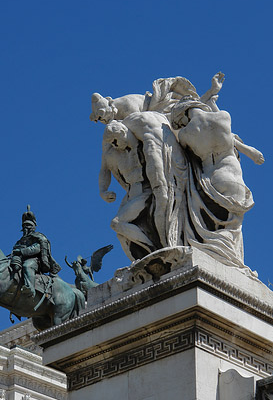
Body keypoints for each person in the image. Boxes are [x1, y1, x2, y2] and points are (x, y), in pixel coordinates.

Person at [170, 95, 264, 271]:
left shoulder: (184, 135)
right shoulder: (223, 116)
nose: (181, 124)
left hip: (209, 181)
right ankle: (230, 261)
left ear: (183, 115)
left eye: (179, 121)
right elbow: (229, 137)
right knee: (233, 225)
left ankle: (216, 255)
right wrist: (250, 152)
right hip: (230, 174)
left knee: (213, 227)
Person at [99, 121, 156, 260]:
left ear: (123, 133)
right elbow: (104, 171)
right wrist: (103, 190)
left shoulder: (142, 142)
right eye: (111, 142)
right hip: (131, 193)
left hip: (147, 191)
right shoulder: (112, 154)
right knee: (121, 234)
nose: (115, 144)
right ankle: (138, 261)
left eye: (115, 140)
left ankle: (153, 250)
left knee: (117, 223)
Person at [11, 206, 61, 298]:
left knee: (27, 266)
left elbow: (36, 249)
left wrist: (21, 251)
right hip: (19, 260)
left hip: (35, 261)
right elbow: (15, 250)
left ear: (33, 227)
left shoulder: (38, 237)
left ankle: (30, 288)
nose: (26, 228)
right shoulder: (20, 241)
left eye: (28, 225)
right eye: (24, 226)